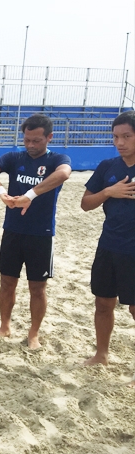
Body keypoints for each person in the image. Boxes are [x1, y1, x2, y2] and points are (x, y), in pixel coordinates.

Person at [0, 114, 71, 349]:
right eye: (27, 140)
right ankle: (4, 326)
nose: (30, 145)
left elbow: (64, 174)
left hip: (41, 233)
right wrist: (1, 192)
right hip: (12, 230)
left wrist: (29, 195)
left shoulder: (57, 159)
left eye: (37, 141)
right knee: (7, 282)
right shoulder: (15, 157)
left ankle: (33, 334)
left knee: (37, 288)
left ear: (49, 137)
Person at [81, 110, 135, 370]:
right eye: (115, 136)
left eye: (127, 136)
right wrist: (109, 192)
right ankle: (101, 354)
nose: (120, 142)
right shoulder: (107, 167)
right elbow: (86, 204)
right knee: (103, 303)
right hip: (109, 246)